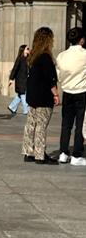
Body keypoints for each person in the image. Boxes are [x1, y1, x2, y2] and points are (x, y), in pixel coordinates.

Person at [22, 26, 59, 165]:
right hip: (43, 96)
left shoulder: (33, 56)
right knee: (41, 125)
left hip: (32, 95)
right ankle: (40, 154)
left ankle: (28, 152)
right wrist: (56, 94)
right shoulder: (45, 57)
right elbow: (51, 79)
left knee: (31, 124)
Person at [55, 27, 86, 167]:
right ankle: (77, 155)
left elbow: (59, 76)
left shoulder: (61, 56)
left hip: (67, 92)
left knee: (66, 124)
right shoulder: (85, 54)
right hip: (82, 92)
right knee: (80, 124)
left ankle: (63, 153)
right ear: (82, 40)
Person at [8, 44, 30, 115]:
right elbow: (15, 69)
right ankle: (26, 110)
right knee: (23, 94)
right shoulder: (19, 58)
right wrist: (11, 79)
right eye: (27, 49)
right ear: (23, 50)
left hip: (25, 80)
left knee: (20, 95)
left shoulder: (27, 58)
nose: (28, 50)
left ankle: (12, 107)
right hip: (20, 80)